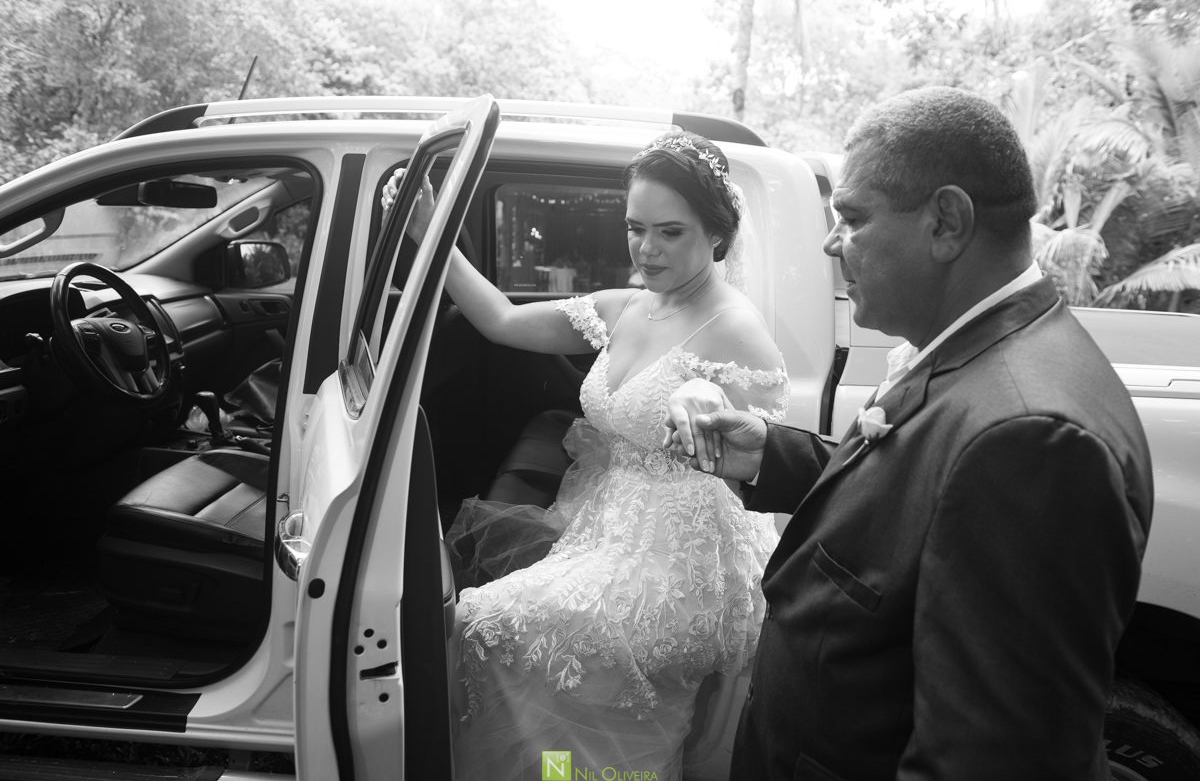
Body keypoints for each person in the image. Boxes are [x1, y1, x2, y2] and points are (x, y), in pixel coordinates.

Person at [665, 87, 1153, 780]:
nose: (832, 245)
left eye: (852, 218)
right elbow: (925, 505)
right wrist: (770, 453)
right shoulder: (979, 352)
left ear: (946, 222)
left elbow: (989, 762)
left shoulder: (1034, 444)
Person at [387, 132, 790, 780]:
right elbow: (498, 320)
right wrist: (428, 229)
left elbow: (762, 452)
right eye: (636, 228)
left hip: (677, 572)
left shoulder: (735, 326)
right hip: (605, 535)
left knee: (482, 625)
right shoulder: (624, 305)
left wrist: (699, 398)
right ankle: (569, 774)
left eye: (670, 232)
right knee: (514, 662)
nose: (647, 249)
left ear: (717, 235)